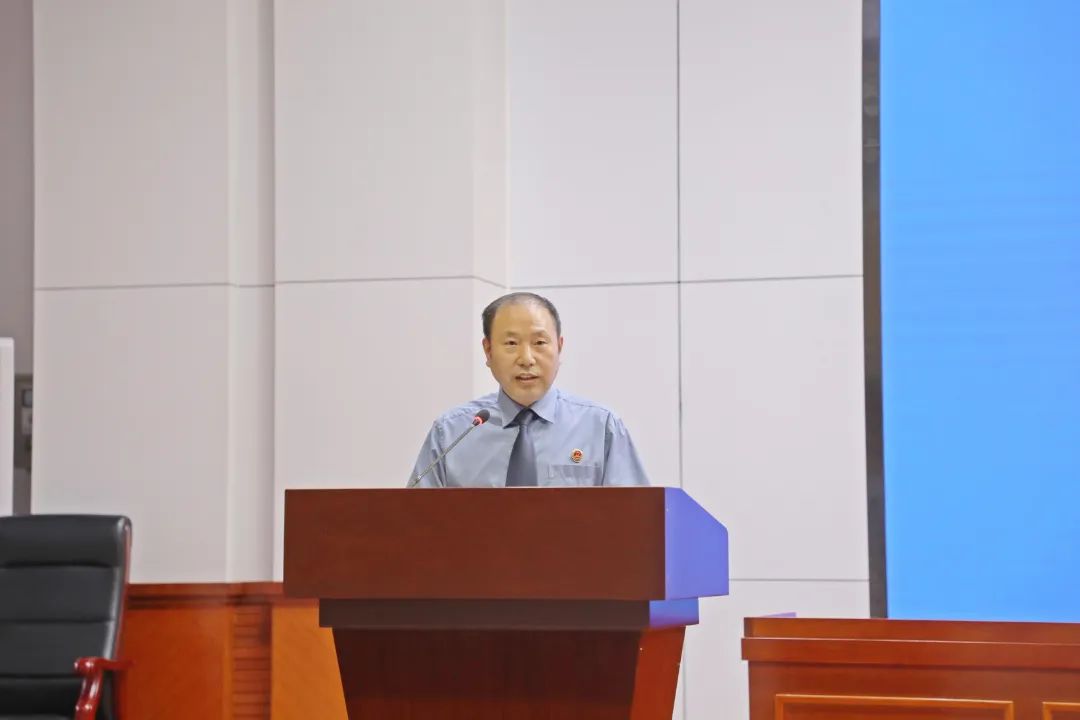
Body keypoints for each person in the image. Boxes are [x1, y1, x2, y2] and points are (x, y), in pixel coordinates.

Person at [408, 292, 650, 488]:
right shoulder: (452, 433)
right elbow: (414, 522)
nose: (526, 359)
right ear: (488, 351)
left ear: (559, 347)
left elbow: (635, 519)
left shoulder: (600, 428)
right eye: (511, 343)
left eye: (539, 343)